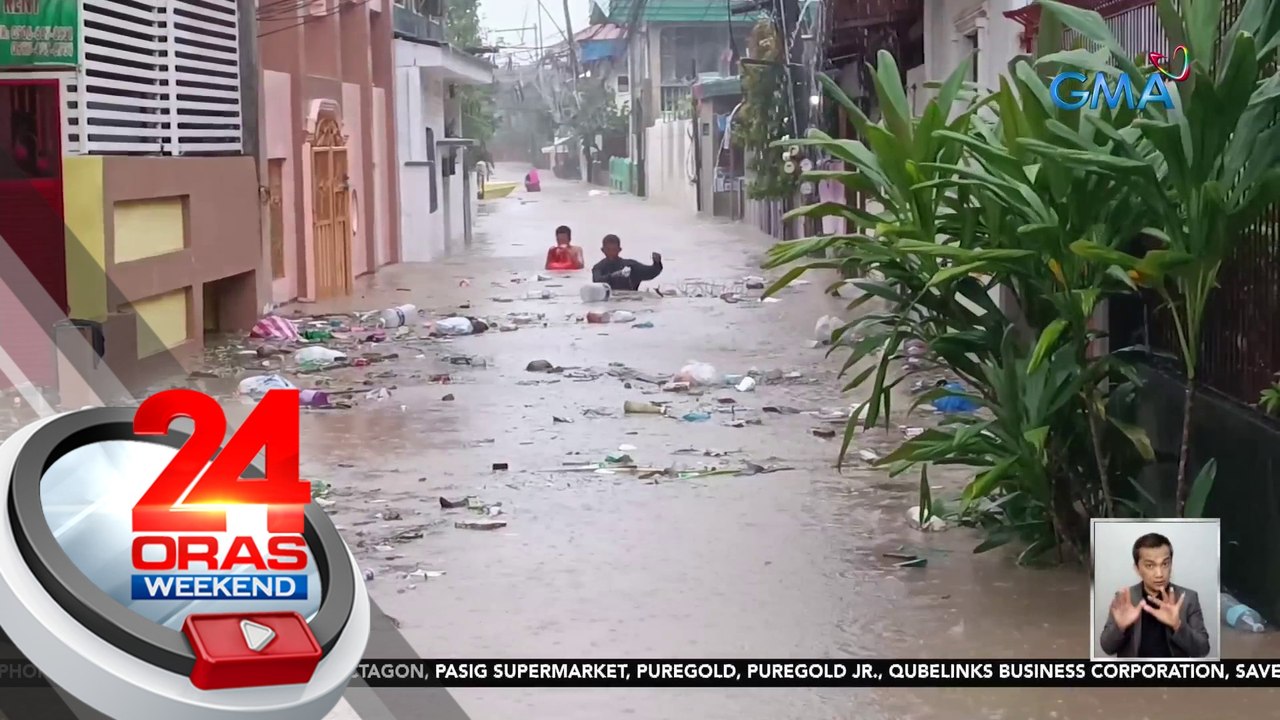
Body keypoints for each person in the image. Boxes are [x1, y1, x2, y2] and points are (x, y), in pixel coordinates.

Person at [1099, 532, 1211, 658]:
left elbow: (1202, 650)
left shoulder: (1188, 598)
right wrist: (1119, 627)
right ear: (1137, 568)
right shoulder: (1125, 599)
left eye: (1165, 564)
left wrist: (1178, 625)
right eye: (1150, 565)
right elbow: (1107, 648)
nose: (1159, 574)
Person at [591, 234, 662, 291]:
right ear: (603, 250)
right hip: (608, 302)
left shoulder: (630, 266)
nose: (611, 253)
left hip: (629, 302)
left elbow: (650, 273)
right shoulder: (598, 267)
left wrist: (657, 263)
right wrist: (613, 275)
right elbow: (597, 280)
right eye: (608, 249)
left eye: (614, 250)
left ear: (619, 250)